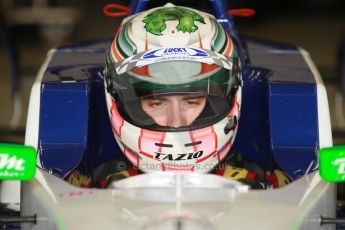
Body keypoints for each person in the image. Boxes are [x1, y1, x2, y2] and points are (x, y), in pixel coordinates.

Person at [67, 3, 291, 189]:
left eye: (191, 101)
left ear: (229, 94)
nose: (176, 122)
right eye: (156, 102)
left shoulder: (266, 183)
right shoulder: (89, 183)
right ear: (118, 97)